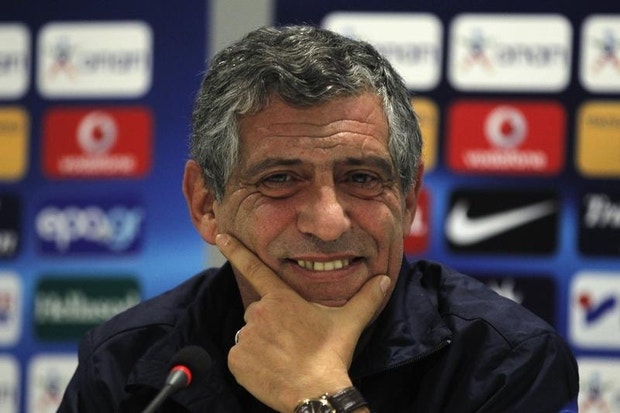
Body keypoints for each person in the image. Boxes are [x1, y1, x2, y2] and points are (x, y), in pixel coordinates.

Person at [57, 25, 579, 412]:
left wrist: (322, 396)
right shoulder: (125, 364)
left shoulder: (508, 362)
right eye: (280, 179)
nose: (329, 223)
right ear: (206, 204)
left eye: (362, 178)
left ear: (408, 199)